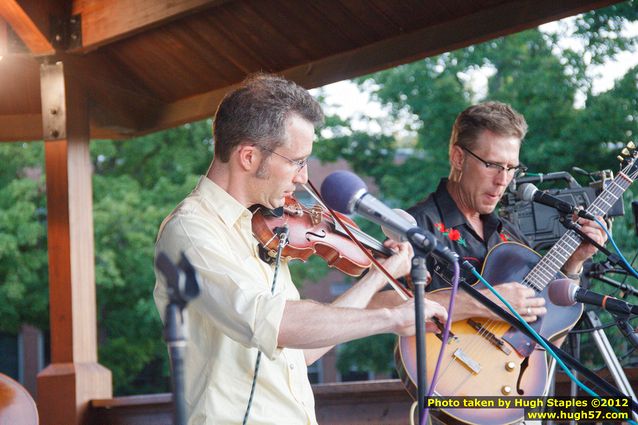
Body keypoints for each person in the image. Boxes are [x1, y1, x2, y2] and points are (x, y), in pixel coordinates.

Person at [153, 73, 448, 425]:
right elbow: (275, 323)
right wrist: (390, 317)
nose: (304, 177)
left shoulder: (261, 228)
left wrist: (375, 277)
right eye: (296, 161)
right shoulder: (191, 231)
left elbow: (299, 352)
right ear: (248, 156)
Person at [407, 101, 607, 323]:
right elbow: (376, 305)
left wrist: (575, 262)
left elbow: (545, 332)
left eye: (512, 168)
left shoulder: (510, 235)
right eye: (492, 165)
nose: (503, 180)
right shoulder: (414, 224)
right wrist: (487, 302)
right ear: (458, 158)